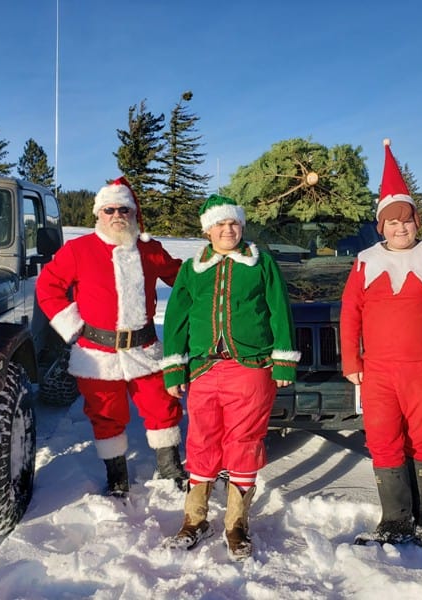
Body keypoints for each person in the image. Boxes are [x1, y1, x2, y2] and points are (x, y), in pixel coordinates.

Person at [340, 139, 422, 547]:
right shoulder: (365, 261)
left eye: (407, 221)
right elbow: (350, 313)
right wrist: (350, 361)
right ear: (382, 225)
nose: (401, 228)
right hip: (378, 368)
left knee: (419, 437)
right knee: (382, 438)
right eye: (392, 222)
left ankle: (419, 516)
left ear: (418, 222)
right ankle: (394, 519)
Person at [161, 194, 299, 561]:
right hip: (204, 369)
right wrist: (174, 367)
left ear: (242, 226)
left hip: (251, 367)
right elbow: (176, 318)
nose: (228, 230)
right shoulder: (193, 269)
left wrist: (283, 360)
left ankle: (236, 524)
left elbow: (279, 311)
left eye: (234, 223)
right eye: (220, 225)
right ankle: (194, 520)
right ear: (207, 230)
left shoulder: (261, 263)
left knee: (244, 441)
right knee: (202, 441)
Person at [36, 176, 187, 497]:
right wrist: (73, 327)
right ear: (98, 214)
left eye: (123, 209)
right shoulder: (78, 250)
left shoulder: (149, 249)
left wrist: (217, 270)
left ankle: (170, 467)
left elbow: (183, 279)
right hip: (97, 353)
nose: (117, 215)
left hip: (144, 349)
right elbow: (47, 287)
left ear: (133, 213)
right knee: (106, 414)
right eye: (109, 210)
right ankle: (116, 475)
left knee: (163, 405)